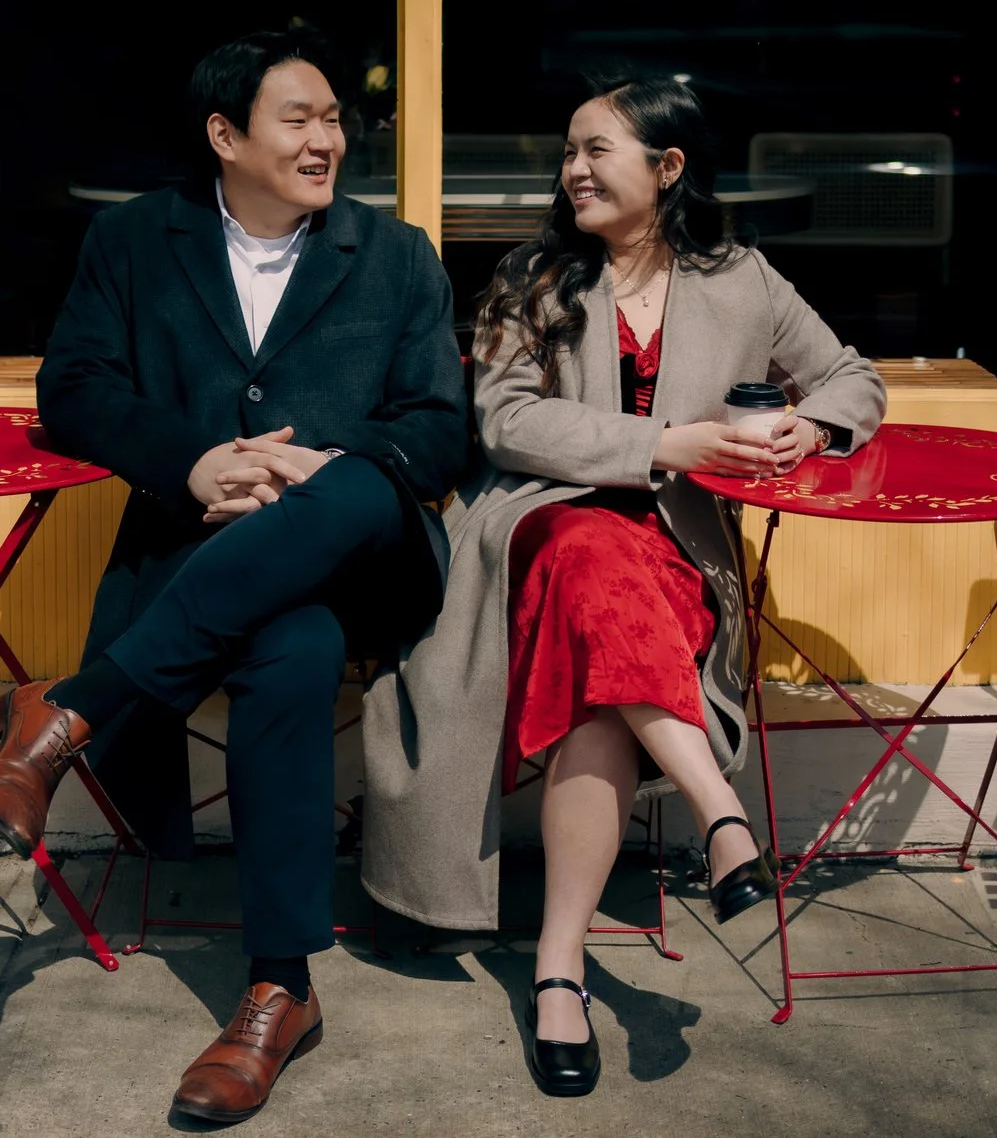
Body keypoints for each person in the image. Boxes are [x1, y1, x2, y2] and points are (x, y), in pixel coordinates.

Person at [359, 77, 885, 1098]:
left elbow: (851, 377)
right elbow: (504, 424)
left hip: (674, 555)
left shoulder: (742, 279)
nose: (574, 171)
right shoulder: (533, 275)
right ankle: (716, 814)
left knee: (602, 679)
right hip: (538, 532)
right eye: (567, 153)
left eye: (597, 150)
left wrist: (807, 426)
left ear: (667, 168)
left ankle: (559, 970)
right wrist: (664, 443)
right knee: (587, 557)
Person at [0, 25, 466, 1125]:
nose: (327, 139)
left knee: (345, 490)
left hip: (363, 561)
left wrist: (316, 468)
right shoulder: (136, 243)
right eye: (299, 118)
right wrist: (193, 460)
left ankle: (74, 710)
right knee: (287, 655)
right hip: (203, 557)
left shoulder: (396, 258)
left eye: (336, 119)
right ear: (223, 134)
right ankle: (280, 989)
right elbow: (77, 391)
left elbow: (440, 432)